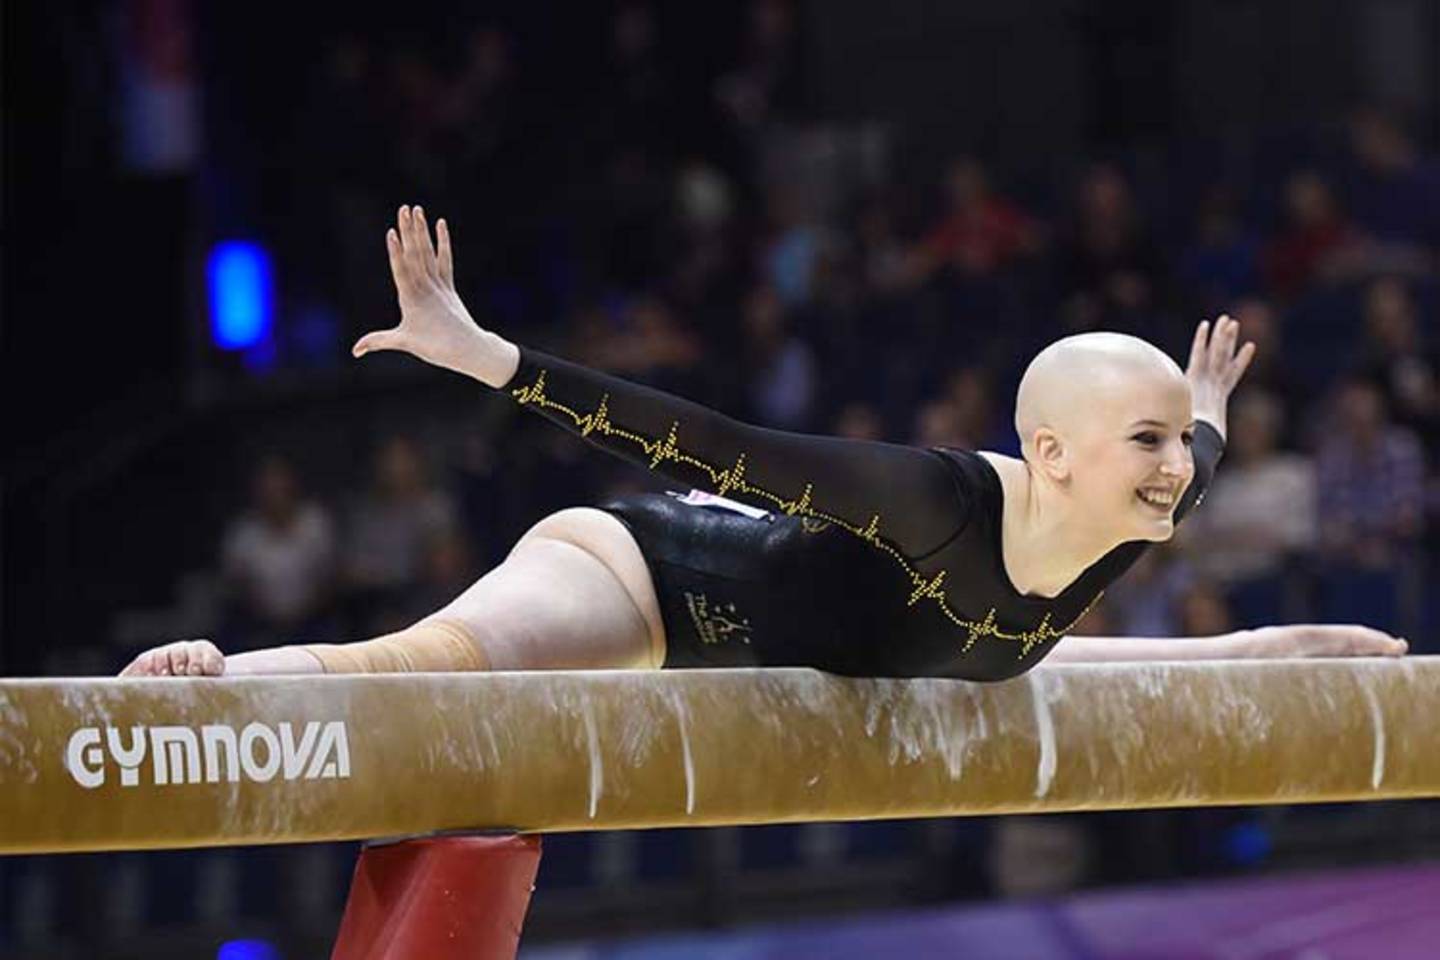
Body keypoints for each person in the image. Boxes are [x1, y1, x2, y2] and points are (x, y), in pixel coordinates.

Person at [122, 206, 1407, 680]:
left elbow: (1207, 451)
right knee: (427, 668)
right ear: (1053, 454)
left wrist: (1204, 404)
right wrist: (487, 359)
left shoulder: (1137, 511)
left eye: (1178, 447)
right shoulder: (929, 503)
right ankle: (228, 677)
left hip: (808, 633)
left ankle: (1257, 651)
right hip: (643, 574)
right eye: (1151, 443)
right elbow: (706, 439)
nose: (1180, 467)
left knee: (1126, 660)